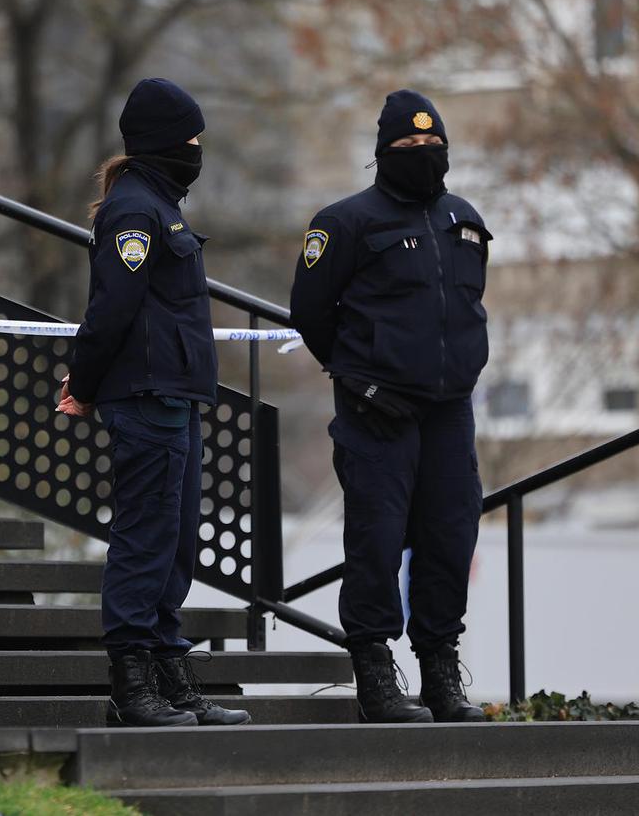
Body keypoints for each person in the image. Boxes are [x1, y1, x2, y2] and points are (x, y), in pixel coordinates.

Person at [289, 89, 489, 724]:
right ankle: (374, 671)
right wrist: (357, 382)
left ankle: (439, 670)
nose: (423, 156)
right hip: (376, 409)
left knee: (450, 536)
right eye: (408, 147)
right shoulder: (345, 222)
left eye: (433, 147)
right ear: (382, 154)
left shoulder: (463, 216)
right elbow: (310, 314)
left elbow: (465, 307)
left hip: (449, 410)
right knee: (376, 539)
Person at [59, 78, 249, 728]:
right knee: (144, 541)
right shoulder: (136, 210)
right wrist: (82, 385)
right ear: (166, 142)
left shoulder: (158, 205)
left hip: (174, 396)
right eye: (192, 139)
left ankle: (169, 676)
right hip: (146, 396)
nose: (199, 149)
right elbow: (110, 308)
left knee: (173, 546)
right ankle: (132, 685)